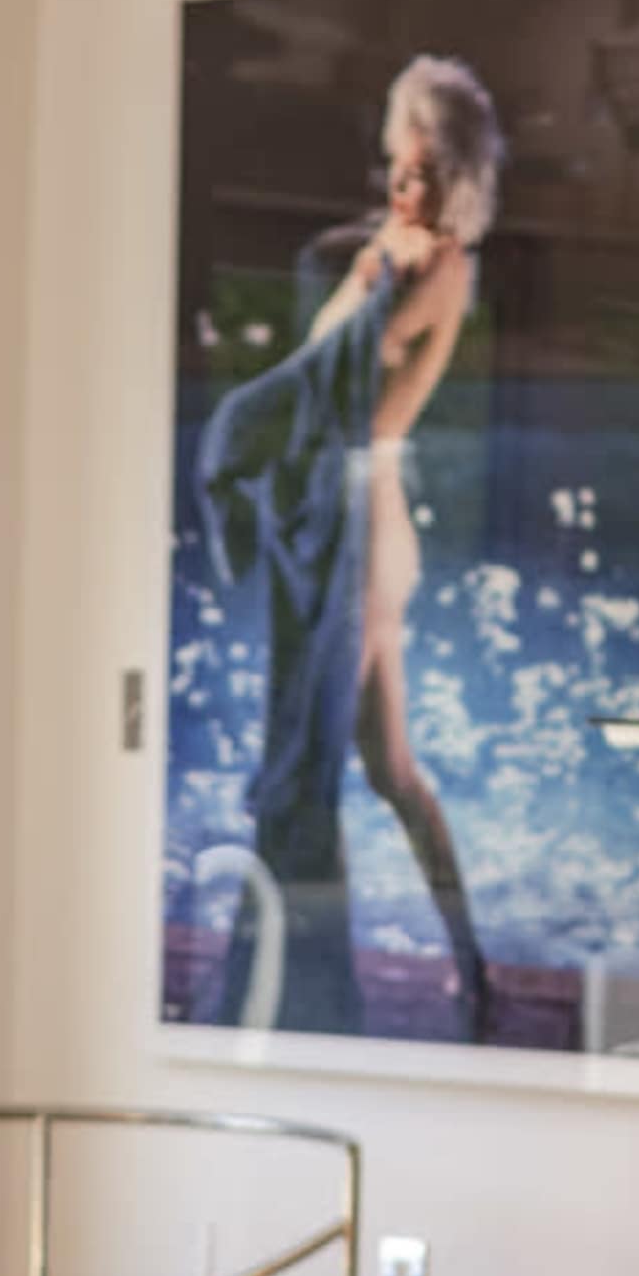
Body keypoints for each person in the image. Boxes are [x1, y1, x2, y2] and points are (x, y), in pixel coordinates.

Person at [192, 54, 503, 1036]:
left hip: (367, 522)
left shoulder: (443, 267)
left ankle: (361, 973)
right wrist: (366, 260)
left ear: (458, 177)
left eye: (423, 175)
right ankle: (475, 967)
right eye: (397, 172)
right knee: (389, 768)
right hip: (345, 509)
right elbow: (322, 342)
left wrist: (372, 276)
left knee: (324, 749)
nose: (405, 192)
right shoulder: (388, 245)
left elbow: (339, 358)